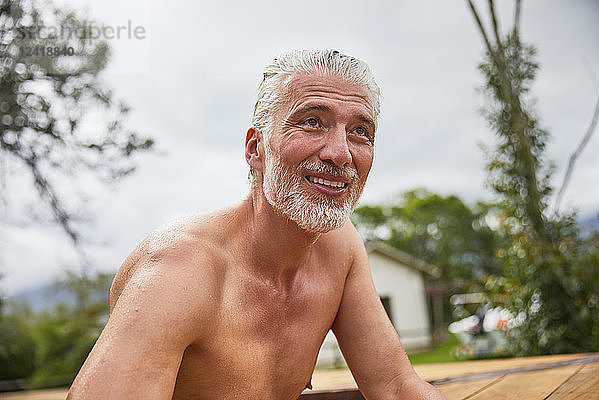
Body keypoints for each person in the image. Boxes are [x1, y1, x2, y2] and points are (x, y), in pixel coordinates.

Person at [68, 49, 448, 400]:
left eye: (360, 131)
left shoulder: (339, 247)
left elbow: (395, 386)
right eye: (313, 122)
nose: (340, 153)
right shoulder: (179, 269)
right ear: (255, 149)